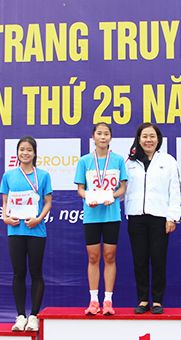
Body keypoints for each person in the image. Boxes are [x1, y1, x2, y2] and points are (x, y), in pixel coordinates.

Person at [125, 122, 181, 315]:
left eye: (152, 136)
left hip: (160, 218)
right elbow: (120, 189)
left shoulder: (168, 161)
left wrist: (172, 217)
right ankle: (143, 300)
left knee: (159, 260)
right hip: (136, 217)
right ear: (138, 139)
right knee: (139, 260)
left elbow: (176, 191)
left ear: (158, 139)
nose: (148, 140)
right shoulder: (130, 163)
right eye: (144, 136)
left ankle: (158, 300)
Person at [0, 136, 53, 331]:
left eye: (29, 150)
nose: (25, 153)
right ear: (17, 152)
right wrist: (5, 217)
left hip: (36, 230)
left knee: (36, 272)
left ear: (34, 153)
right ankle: (20, 315)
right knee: (18, 273)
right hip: (15, 230)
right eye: (22, 149)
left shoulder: (43, 176)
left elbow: (48, 202)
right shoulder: (9, 176)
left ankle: (34, 316)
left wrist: (39, 218)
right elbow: (5, 203)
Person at [74, 123, 127, 316]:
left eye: (106, 134)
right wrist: (89, 197)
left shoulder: (119, 160)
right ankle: (93, 300)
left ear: (110, 138)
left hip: (112, 215)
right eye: (99, 133)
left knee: (110, 256)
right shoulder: (85, 161)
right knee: (94, 257)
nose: (102, 137)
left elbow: (122, 188)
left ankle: (108, 301)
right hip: (91, 216)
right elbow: (80, 188)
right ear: (93, 136)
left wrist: (112, 196)